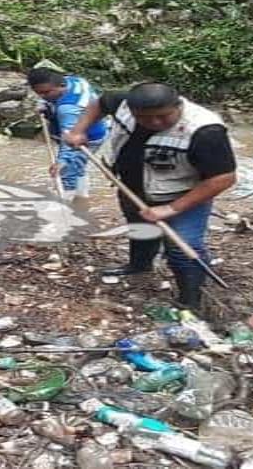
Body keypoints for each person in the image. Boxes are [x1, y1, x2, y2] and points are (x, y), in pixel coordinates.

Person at [63, 83, 237, 312]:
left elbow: (223, 178)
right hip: (131, 186)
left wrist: (172, 208)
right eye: (145, 118)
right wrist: (79, 130)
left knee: (182, 248)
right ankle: (139, 265)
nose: (154, 123)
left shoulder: (205, 131)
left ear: (178, 106)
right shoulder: (124, 102)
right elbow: (100, 104)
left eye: (163, 116)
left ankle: (191, 300)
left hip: (183, 196)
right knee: (140, 229)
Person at [27, 68, 109, 202]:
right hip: (96, 131)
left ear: (62, 86)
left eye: (46, 92)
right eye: (38, 93)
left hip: (84, 139)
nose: (42, 96)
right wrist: (44, 104)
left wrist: (62, 162)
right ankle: (82, 197)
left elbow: (70, 140)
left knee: (66, 173)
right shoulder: (75, 81)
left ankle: (67, 207)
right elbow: (47, 98)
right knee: (77, 166)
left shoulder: (67, 109)